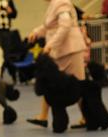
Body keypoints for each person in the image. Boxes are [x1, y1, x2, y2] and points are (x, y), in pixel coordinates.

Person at [25, 0, 87, 129]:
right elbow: (49, 27)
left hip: (70, 49)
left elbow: (65, 26)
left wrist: (50, 45)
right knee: (50, 83)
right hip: (59, 51)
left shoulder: (61, 3)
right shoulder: (53, 4)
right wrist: (36, 32)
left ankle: (87, 117)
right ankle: (43, 116)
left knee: (79, 85)